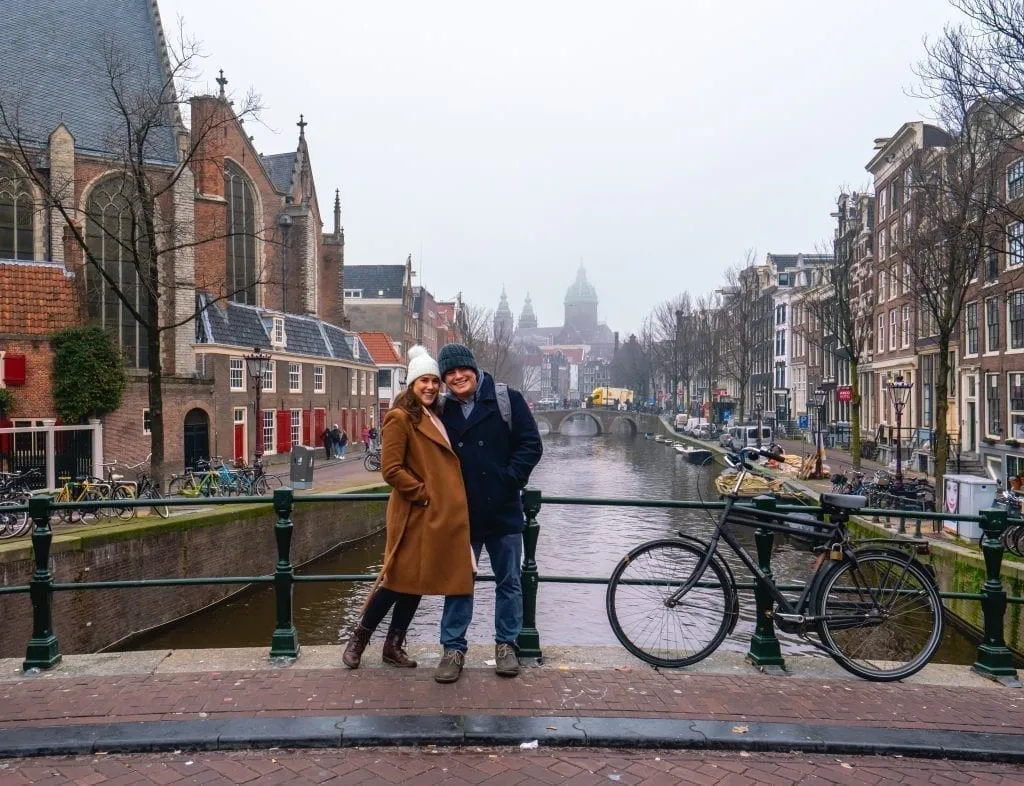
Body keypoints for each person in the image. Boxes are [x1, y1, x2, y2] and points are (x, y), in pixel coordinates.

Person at [342, 346, 474, 669]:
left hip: (431, 515)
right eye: (423, 381)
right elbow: (390, 469)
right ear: (411, 385)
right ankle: (359, 637)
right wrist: (423, 493)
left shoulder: (434, 415)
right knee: (397, 579)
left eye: (433, 381)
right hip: (413, 512)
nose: (430, 386)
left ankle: (394, 644)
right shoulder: (400, 418)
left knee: (417, 579)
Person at [433, 343, 543, 684]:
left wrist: (509, 480)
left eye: (461, 370)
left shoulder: (506, 399)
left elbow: (531, 444)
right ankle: (453, 648)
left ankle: (506, 645)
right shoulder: (441, 409)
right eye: (449, 374)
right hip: (461, 512)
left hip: (503, 509)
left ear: (473, 368)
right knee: (459, 581)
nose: (457, 377)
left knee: (508, 581)